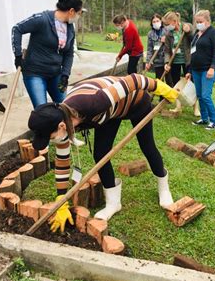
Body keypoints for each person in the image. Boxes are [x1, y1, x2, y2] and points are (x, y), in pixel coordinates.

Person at [28, 74, 179, 232]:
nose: (52, 141)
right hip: (109, 113)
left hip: (135, 102)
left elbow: (135, 80)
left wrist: (160, 87)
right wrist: (61, 199)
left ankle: (164, 188)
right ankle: (113, 204)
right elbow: (62, 161)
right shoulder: (63, 121)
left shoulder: (93, 103)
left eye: (50, 137)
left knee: (147, 146)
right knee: (101, 154)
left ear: (61, 126)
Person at [12, 0, 82, 108]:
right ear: (71, 11)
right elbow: (17, 29)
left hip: (55, 73)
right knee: (42, 110)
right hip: (35, 73)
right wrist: (18, 56)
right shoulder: (42, 19)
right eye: (78, 13)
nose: (78, 16)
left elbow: (69, 54)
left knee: (65, 108)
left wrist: (65, 75)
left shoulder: (70, 28)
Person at [188, 10, 215, 130]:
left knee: (206, 95)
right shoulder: (197, 33)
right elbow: (193, 52)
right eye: (196, 22)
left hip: (207, 70)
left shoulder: (214, 33)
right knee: (199, 95)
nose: (198, 24)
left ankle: (213, 121)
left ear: (207, 21)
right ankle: (204, 118)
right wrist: (189, 70)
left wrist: (212, 67)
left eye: (200, 21)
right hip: (196, 69)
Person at [162, 11, 193, 113]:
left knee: (190, 83)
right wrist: (167, 63)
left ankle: (195, 107)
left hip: (187, 60)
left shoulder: (185, 28)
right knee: (176, 83)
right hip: (175, 61)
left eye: (167, 24)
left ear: (175, 22)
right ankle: (178, 106)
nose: (166, 26)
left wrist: (189, 30)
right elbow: (167, 51)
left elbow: (193, 35)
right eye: (165, 25)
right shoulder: (168, 33)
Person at [145, 14, 166, 79]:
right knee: (159, 81)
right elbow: (149, 49)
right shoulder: (150, 34)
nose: (156, 23)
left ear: (161, 21)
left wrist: (166, 41)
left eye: (157, 21)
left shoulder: (166, 31)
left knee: (169, 81)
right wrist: (148, 61)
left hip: (167, 61)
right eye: (154, 22)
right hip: (157, 61)